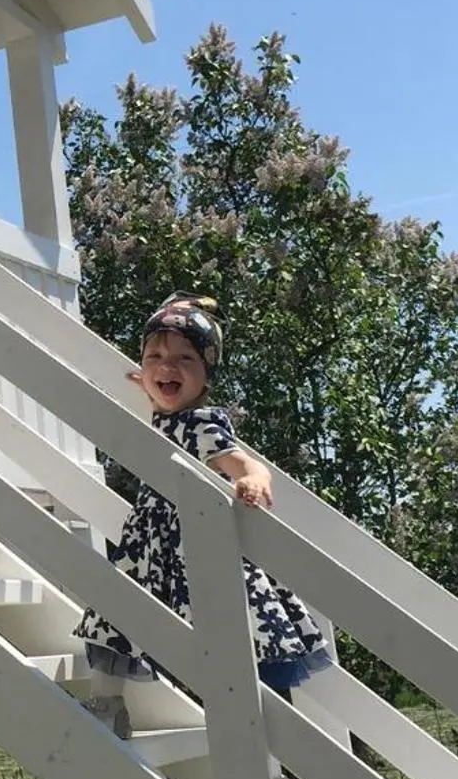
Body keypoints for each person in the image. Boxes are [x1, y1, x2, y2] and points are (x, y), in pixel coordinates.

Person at [74, 292, 333, 734]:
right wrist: (147, 385)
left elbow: (243, 461)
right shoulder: (160, 414)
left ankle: (263, 731)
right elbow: (158, 392)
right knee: (115, 612)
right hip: (149, 545)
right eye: (153, 356)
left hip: (191, 547)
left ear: (206, 376)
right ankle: (107, 703)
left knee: (238, 634)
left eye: (184, 359)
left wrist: (252, 479)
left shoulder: (201, 425)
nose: (165, 367)